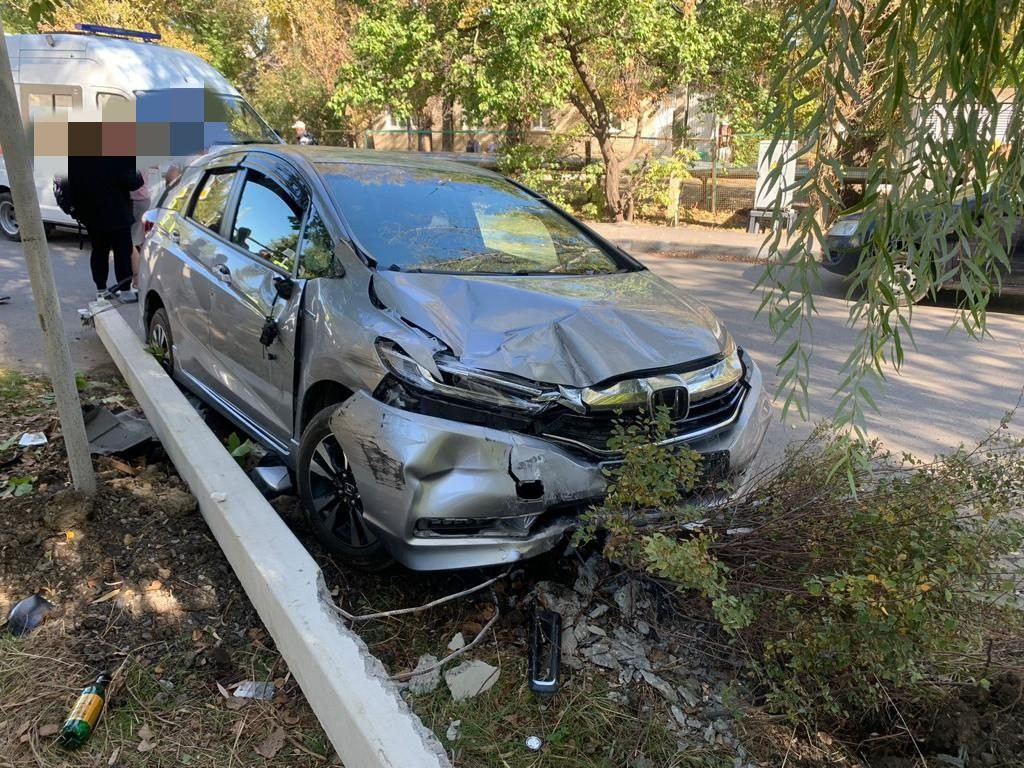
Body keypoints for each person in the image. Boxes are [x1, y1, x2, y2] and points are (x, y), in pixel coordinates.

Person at [68, 154, 143, 303]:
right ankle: (125, 291)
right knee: (122, 252)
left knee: (99, 251)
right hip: (117, 211)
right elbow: (134, 182)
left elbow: (72, 183)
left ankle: (101, 289)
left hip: (92, 213)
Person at [130, 173, 152, 291]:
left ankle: (137, 281)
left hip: (135, 200)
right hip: (144, 198)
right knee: (140, 240)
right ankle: (147, 274)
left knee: (129, 242)